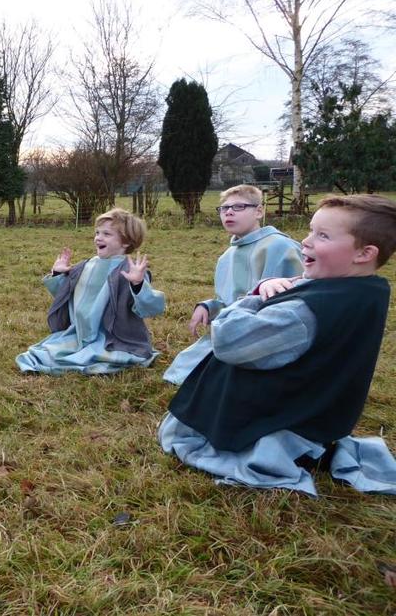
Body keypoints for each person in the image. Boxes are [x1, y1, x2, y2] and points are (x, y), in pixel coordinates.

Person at [160, 194, 396, 496]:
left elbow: (228, 341)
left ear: (364, 253)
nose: (306, 241)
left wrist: (255, 296)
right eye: (311, 229)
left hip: (269, 415)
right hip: (314, 410)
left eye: (322, 235)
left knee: (178, 433)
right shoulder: (367, 291)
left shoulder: (301, 313)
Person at [163, 184, 302, 384]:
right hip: (235, 329)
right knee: (187, 366)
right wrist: (208, 306)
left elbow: (297, 298)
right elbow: (227, 302)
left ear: (259, 211)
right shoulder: (226, 257)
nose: (228, 212)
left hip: (269, 335)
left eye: (238, 207)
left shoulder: (279, 246)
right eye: (224, 208)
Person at [16, 208, 165, 375]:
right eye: (97, 233)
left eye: (107, 234)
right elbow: (66, 295)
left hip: (114, 337)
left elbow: (151, 308)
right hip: (79, 333)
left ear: (126, 242)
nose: (98, 238)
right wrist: (57, 274)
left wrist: (137, 284)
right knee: (43, 352)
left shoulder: (130, 270)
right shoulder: (86, 265)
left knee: (94, 357)